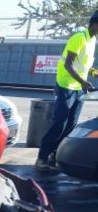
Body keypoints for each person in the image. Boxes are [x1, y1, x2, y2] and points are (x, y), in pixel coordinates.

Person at [35, 11, 98, 172]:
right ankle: (42, 157)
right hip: (66, 85)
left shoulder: (92, 41)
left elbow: (81, 64)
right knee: (60, 123)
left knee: (71, 125)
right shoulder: (79, 38)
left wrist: (92, 72)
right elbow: (68, 65)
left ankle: (54, 156)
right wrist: (83, 82)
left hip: (78, 89)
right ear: (95, 24)